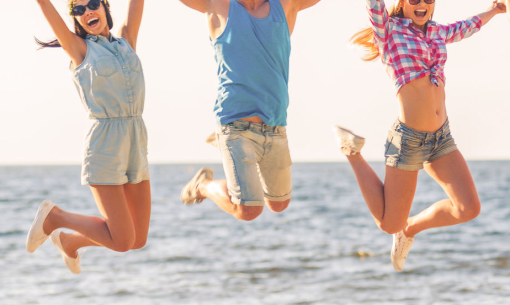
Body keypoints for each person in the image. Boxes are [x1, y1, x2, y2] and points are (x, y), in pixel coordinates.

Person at [334, 0, 506, 271]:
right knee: (388, 223)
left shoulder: (438, 32)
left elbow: (468, 26)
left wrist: (495, 10)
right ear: (402, 4)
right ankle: (351, 151)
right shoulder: (387, 30)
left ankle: (410, 229)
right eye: (414, 0)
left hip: (442, 138)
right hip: (409, 141)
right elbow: (373, 6)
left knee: (468, 208)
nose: (422, 4)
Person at [26, 0, 150, 274]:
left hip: (136, 140)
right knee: (122, 241)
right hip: (105, 144)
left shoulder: (127, 40)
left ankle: (69, 242)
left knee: (137, 239)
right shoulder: (79, 48)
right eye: (78, 10)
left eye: (92, 4)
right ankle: (55, 218)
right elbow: (48, 10)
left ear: (105, 7)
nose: (87, 12)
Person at [178, 0, 321, 221]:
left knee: (278, 203)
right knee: (249, 210)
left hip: (275, 127)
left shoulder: (285, 5)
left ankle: (227, 151)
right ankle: (203, 185)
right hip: (235, 124)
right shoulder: (218, 6)